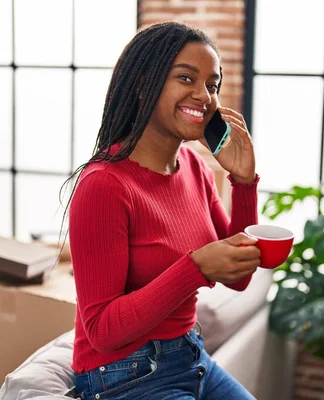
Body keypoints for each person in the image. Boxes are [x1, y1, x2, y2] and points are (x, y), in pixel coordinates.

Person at [65, 21, 261, 399]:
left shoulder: (195, 167)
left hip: (190, 356)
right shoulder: (104, 184)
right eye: (186, 78)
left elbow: (238, 279)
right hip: (123, 373)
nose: (204, 96)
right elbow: (102, 331)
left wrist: (243, 181)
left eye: (212, 84)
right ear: (143, 84)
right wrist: (196, 267)